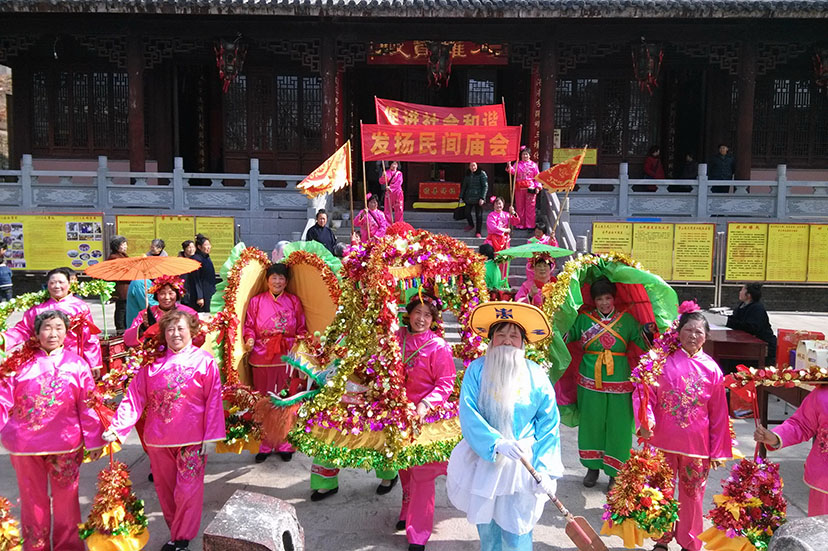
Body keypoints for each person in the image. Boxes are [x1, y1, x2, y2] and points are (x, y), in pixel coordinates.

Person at [103, 309, 225, 551]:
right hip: (158, 440)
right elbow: (134, 398)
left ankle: (182, 538)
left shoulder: (205, 361)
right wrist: (117, 428)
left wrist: (211, 436)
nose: (175, 334)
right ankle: (176, 535)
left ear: (192, 331)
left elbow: (213, 400)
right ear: (164, 334)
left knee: (188, 491)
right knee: (166, 491)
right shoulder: (151, 365)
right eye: (170, 329)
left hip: (192, 439)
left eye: (181, 328)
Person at [447, 301, 562, 551]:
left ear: (523, 342)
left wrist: (545, 470)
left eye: (514, 336)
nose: (507, 341)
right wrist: (496, 442)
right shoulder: (476, 370)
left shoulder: (536, 375)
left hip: (523, 463)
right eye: (501, 335)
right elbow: (468, 412)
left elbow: (549, 425)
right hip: (485, 459)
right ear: (491, 340)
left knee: (518, 528)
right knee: (488, 529)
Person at [0, 310, 106, 551]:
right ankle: (35, 547)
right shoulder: (18, 364)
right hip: (25, 445)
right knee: (32, 500)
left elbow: (88, 405)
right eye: (47, 327)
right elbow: (2, 399)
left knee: (66, 500)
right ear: (36, 333)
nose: (53, 333)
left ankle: (68, 546)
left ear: (66, 333)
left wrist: (94, 440)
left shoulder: (77, 364)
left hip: (65, 443)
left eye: (59, 328)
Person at [635, 305, 731, 551]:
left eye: (699, 332)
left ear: (706, 337)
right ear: (678, 333)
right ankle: (661, 540)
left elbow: (719, 413)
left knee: (693, 497)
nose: (693, 336)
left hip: (696, 446)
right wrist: (645, 420)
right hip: (662, 441)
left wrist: (718, 450)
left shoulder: (713, 370)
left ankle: (690, 542)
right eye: (688, 330)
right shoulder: (660, 362)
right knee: (660, 491)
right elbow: (644, 394)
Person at [566, 277, 650, 490]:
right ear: (594, 301)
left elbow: (643, 343)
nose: (604, 303)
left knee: (618, 425)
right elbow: (567, 335)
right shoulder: (583, 319)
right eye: (599, 299)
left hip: (620, 379)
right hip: (589, 379)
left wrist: (649, 332)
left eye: (607, 298)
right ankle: (592, 467)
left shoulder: (627, 320)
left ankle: (615, 471)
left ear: (614, 298)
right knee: (591, 422)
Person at [395, 294, 456, 551]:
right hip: (397, 415)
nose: (421, 319)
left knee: (422, 473)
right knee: (404, 467)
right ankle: (406, 508)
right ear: (408, 314)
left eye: (427, 315)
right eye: (417, 312)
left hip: (425, 418)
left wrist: (425, 405)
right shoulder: (395, 338)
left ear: (433, 319)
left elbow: (446, 382)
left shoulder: (438, 346)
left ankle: (418, 533)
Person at [243, 263, 307, 463]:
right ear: (267, 280)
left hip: (287, 355)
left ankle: (285, 442)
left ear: (286, 282)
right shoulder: (256, 301)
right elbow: (249, 325)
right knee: (264, 400)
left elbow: (301, 327)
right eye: (274, 278)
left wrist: (300, 343)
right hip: (262, 356)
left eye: (281, 278)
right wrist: (249, 339)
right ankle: (264, 443)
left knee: (286, 399)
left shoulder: (294, 301)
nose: (277, 281)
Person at [3, 267, 103, 372]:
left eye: (61, 282)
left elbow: (89, 336)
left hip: (72, 360)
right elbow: (24, 329)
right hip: (41, 361)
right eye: (52, 283)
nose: (57, 286)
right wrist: (5, 338)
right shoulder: (37, 308)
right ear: (47, 285)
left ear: (69, 284)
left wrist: (94, 363)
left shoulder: (80, 307)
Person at [754, 385, 827, 516]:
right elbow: (801, 424)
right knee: (820, 527)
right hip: (824, 482)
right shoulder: (822, 395)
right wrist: (776, 437)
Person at [124, 276, 196, 347]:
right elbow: (128, 339)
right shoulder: (145, 314)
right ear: (156, 295)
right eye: (162, 293)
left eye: (171, 293)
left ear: (177, 295)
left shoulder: (188, 313)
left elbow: (197, 338)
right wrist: (143, 327)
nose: (167, 297)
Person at [726, 283, 777, 363]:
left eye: (742, 290)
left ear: (748, 295)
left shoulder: (757, 308)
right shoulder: (742, 305)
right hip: (747, 343)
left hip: (762, 345)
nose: (739, 292)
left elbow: (750, 328)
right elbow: (736, 319)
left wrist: (728, 322)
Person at [506, 147, 540, 230]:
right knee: (520, 207)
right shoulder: (518, 164)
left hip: (530, 188)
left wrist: (537, 187)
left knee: (530, 207)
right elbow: (512, 171)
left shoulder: (534, 165)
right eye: (523, 154)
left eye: (526, 154)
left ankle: (530, 225)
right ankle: (520, 224)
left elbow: (537, 177)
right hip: (519, 188)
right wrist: (509, 165)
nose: (525, 156)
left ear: (529, 155)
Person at [184, 234, 217, 313]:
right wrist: (199, 297)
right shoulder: (196, 259)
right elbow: (196, 280)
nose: (208, 247)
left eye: (209, 245)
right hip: (200, 295)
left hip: (209, 291)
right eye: (206, 245)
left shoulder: (206, 258)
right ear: (199, 247)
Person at [107, 235, 129, 331]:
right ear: (117, 246)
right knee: (121, 308)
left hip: (126, 285)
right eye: (123, 244)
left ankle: (124, 327)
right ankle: (120, 329)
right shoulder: (114, 258)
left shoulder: (122, 256)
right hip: (121, 287)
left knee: (124, 308)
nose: (125, 246)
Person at [460, 161, 488, 238]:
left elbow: (485, 186)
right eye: (471, 166)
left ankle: (478, 232)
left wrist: (482, 197)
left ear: (477, 165)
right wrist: (461, 196)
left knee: (479, 215)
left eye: (474, 165)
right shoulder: (468, 174)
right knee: (467, 212)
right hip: (468, 196)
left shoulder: (482, 173)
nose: (473, 167)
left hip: (478, 197)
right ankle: (471, 224)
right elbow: (464, 186)